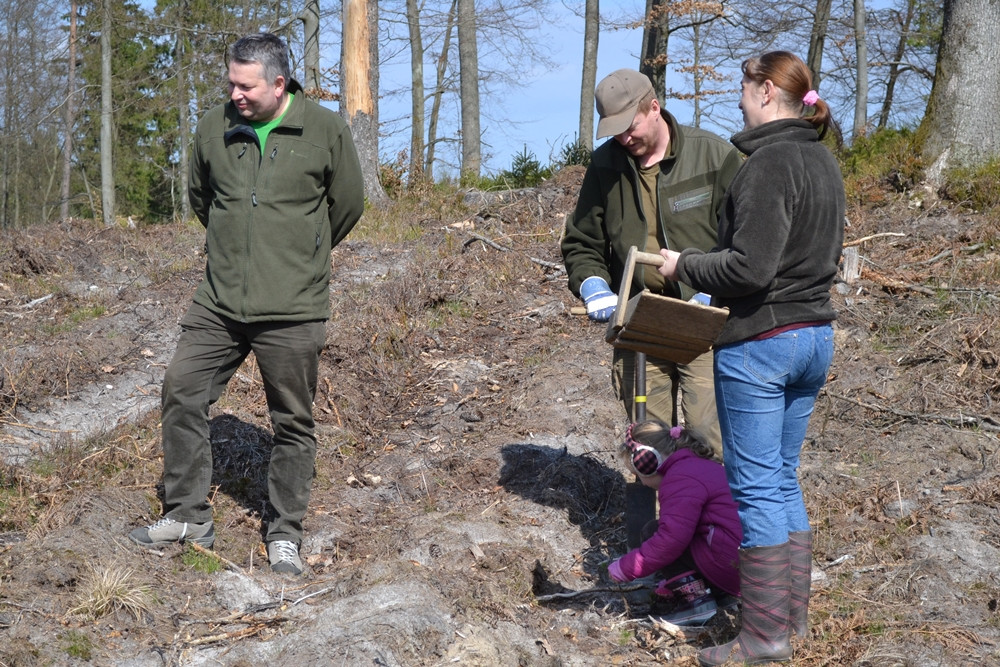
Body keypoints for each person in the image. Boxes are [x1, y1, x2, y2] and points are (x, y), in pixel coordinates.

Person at [128, 32, 364, 576]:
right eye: (230, 82)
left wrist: (298, 254)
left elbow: (347, 204)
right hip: (219, 303)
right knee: (181, 391)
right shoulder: (214, 127)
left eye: (245, 84)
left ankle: (284, 532)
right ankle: (187, 515)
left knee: (292, 422)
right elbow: (201, 199)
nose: (234, 93)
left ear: (279, 84)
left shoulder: (324, 130)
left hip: (293, 306)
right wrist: (238, 249)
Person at [657, 51, 845, 665]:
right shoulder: (822, 161)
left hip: (763, 343)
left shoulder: (767, 163)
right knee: (781, 479)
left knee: (758, 490)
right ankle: (790, 622)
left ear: (767, 92)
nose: (736, 98)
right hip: (814, 337)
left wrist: (683, 265)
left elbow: (750, 267)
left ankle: (763, 640)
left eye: (743, 87)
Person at [561, 68, 742, 458]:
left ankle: (711, 519)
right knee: (648, 444)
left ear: (655, 108)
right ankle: (660, 519)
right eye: (615, 131)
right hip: (639, 320)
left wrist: (716, 288)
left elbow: (746, 238)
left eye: (631, 126)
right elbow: (582, 241)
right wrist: (593, 284)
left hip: (706, 322)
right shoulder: (606, 166)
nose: (625, 138)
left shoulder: (713, 155)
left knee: (708, 438)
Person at [606, 420, 742, 626]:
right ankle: (719, 594)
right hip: (743, 562)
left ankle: (697, 603)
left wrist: (626, 568)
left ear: (647, 460)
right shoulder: (697, 466)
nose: (641, 482)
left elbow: (670, 541)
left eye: (638, 474)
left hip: (730, 565)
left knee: (654, 532)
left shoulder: (679, 478)